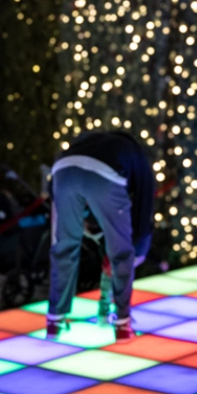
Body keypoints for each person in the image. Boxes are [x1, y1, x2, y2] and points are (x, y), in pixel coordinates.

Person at [47, 129, 154, 341]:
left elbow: (55, 192)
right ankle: (123, 325)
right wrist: (138, 242)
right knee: (121, 253)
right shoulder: (137, 155)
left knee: (65, 247)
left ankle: (54, 321)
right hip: (106, 175)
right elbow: (145, 204)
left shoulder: (88, 141)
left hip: (62, 170)